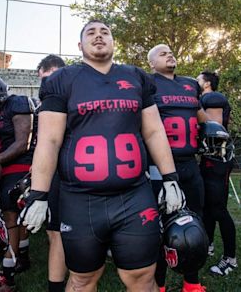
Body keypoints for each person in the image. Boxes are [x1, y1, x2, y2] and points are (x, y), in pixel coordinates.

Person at [19, 20, 185, 292]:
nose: (98, 37)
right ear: (79, 45)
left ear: (113, 42)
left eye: (104, 32)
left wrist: (170, 177)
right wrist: (39, 194)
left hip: (133, 195)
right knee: (83, 279)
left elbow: (154, 131)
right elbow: (49, 140)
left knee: (143, 277)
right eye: (91, 33)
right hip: (80, 198)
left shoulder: (135, 76)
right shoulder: (62, 80)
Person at [147, 44, 208, 292]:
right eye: (162, 53)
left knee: (194, 223)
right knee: (159, 227)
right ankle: (159, 284)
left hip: (189, 164)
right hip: (158, 167)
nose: (170, 54)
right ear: (151, 63)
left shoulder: (191, 84)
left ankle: (191, 283)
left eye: (171, 52)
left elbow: (201, 115)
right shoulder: (146, 83)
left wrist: (215, 129)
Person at [0, 75, 33, 292]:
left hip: (23, 164)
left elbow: (22, 144)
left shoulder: (17, 103)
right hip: (7, 165)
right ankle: (21, 257)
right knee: (14, 216)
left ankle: (7, 278)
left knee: (11, 217)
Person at [196, 71, 237, 277]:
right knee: (208, 207)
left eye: (199, 78)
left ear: (207, 83)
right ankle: (209, 244)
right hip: (209, 160)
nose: (196, 81)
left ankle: (230, 258)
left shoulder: (212, 98)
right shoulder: (204, 99)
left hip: (217, 159)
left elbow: (214, 133)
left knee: (219, 209)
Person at [36, 54, 67, 292]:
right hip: (52, 173)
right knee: (53, 232)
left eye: (51, 78)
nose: (47, 85)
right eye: (42, 80)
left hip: (75, 172)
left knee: (61, 233)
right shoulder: (43, 106)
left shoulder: (76, 98)